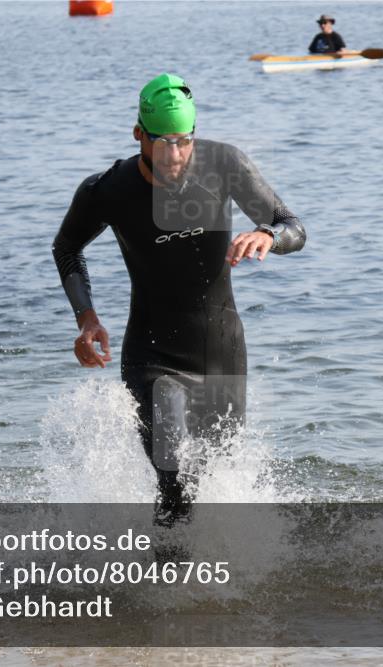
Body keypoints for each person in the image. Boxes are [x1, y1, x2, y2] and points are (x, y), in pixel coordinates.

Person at [52, 73, 306, 524]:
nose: (175, 154)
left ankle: (210, 581)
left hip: (220, 348)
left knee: (209, 473)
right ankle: (168, 586)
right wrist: (86, 318)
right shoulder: (109, 189)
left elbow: (293, 227)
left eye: (184, 141)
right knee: (172, 473)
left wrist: (268, 234)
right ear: (139, 136)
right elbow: (67, 248)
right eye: (163, 142)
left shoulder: (224, 165)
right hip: (153, 353)